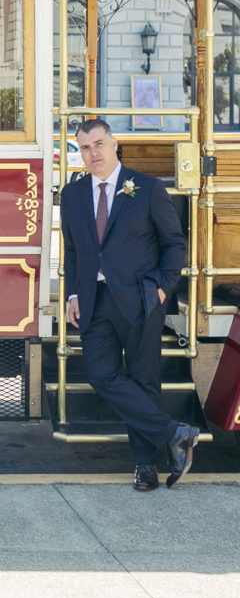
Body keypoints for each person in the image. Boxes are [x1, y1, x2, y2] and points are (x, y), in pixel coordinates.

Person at [61, 119, 196, 491]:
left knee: (143, 379)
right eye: (86, 148)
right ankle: (174, 433)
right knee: (100, 374)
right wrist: (73, 294)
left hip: (140, 298)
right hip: (93, 300)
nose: (94, 154)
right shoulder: (72, 195)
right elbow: (73, 250)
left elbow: (174, 244)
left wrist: (162, 290)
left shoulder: (147, 188)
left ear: (115, 144)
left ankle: (145, 466)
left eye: (99, 144)